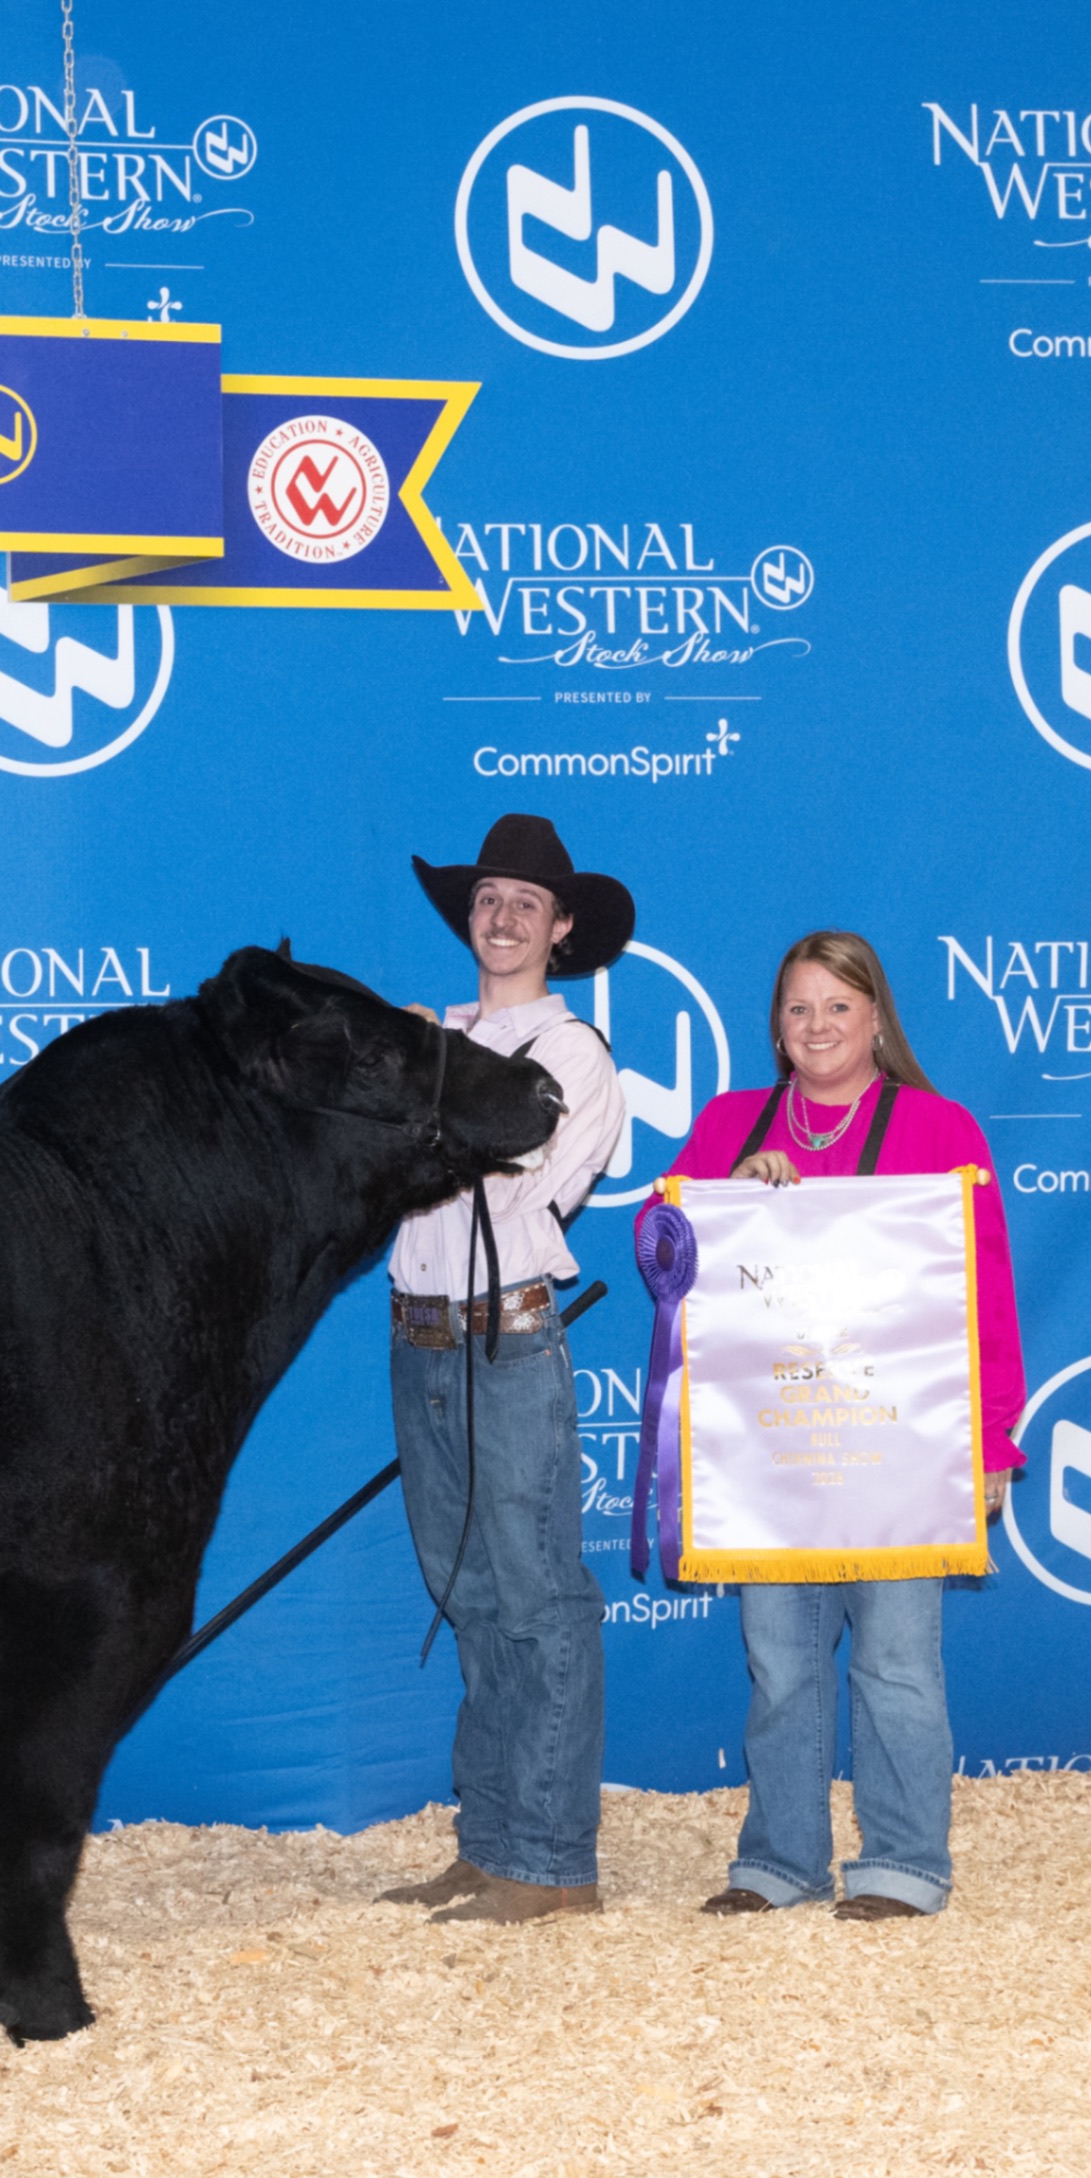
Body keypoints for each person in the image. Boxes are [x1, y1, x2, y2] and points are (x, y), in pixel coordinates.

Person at [672, 930, 1024, 1922]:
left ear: (876, 1018)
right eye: (797, 1008)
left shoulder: (940, 1128)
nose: (817, 1025)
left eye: (837, 1005)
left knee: (898, 1660)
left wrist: (993, 1438)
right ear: (775, 1030)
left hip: (902, 1450)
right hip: (774, 1450)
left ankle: (906, 1861)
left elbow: (985, 1293)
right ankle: (781, 1860)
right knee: (780, 1665)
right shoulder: (731, 1125)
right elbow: (663, 1250)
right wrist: (730, 1195)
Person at [376, 815, 633, 1925]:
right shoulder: (433, 1043)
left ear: (562, 929)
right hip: (419, 1331)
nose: (505, 915)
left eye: (529, 902)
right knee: (469, 1593)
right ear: (468, 915)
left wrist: (430, 1120)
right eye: (489, 897)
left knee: (537, 1594)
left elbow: (517, 1176)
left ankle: (555, 1858)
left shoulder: (573, 1056)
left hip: (507, 1334)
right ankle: (490, 1841)